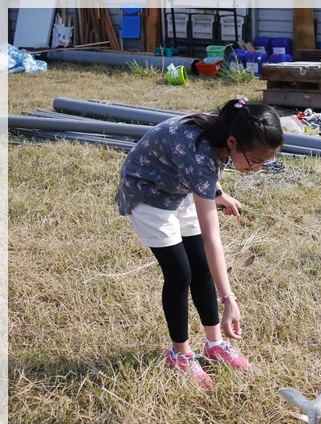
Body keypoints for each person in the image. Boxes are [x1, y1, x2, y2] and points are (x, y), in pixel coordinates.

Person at [115, 96, 283, 388]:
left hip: (178, 186)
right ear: (232, 142)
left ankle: (214, 344)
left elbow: (203, 169)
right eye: (255, 160)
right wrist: (229, 300)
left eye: (265, 162)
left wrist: (219, 193)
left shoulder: (228, 129)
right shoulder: (200, 151)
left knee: (201, 268)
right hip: (148, 191)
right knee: (180, 273)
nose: (257, 168)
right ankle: (179, 355)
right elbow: (211, 236)